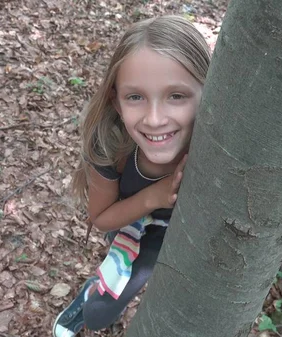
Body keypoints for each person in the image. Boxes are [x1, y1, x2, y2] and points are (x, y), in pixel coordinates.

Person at [52, 15, 210, 337]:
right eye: (135, 97)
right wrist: (156, 195)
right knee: (99, 315)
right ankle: (89, 295)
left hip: (185, 236)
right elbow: (101, 217)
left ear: (209, 93)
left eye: (176, 96)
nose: (154, 120)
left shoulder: (219, 147)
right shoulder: (111, 145)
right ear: (116, 100)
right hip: (130, 222)